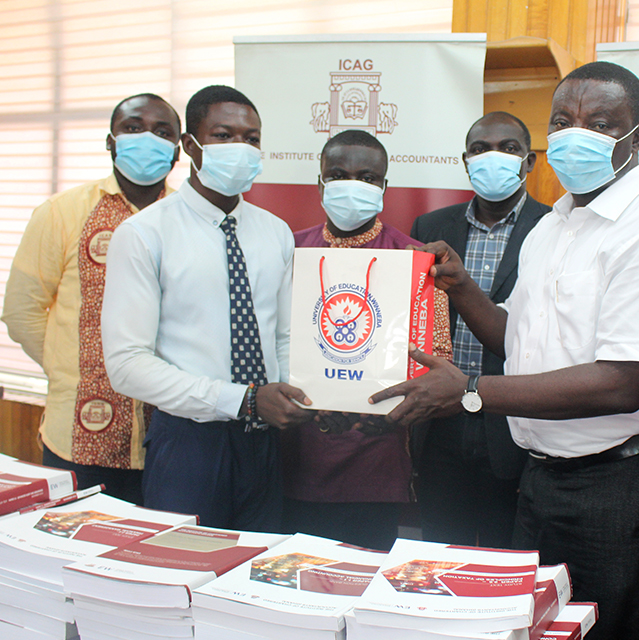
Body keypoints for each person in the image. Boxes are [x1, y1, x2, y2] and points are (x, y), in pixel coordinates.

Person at [370, 61, 639, 640]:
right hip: (542, 478)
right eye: (563, 120)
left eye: (601, 123)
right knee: (536, 630)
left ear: (638, 137)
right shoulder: (554, 226)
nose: (576, 134)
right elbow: (519, 343)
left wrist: (473, 391)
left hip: (620, 483)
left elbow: (623, 382)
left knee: (611, 631)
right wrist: (464, 288)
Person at [101, 85, 314, 531]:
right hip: (189, 444)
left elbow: (284, 335)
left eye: (251, 138)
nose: (241, 148)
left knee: (254, 575)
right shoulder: (144, 234)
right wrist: (243, 400)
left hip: (266, 441)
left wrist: (307, 393)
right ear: (190, 146)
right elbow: (126, 364)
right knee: (182, 577)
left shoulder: (275, 232)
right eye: (223, 135)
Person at [3, 93, 181, 505]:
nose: (147, 139)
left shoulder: (187, 218)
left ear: (178, 150)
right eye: (133, 128)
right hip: (80, 435)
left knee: (154, 559)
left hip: (170, 437)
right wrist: (76, 368)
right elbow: (22, 311)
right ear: (110, 141)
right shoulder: (60, 213)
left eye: (162, 132)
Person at [280, 129, 452, 550]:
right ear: (320, 182)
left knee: (362, 587)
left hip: (378, 456)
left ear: (385, 186)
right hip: (296, 453)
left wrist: (388, 411)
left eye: (367, 177)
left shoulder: (417, 260)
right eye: (338, 174)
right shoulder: (287, 252)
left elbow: (437, 361)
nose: (353, 185)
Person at [409, 111, 551, 549]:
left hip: (512, 421)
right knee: (438, 552)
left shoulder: (553, 230)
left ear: (529, 163)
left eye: (508, 149)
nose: (493, 158)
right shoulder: (431, 227)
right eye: (480, 149)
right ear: (466, 161)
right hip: (441, 421)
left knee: (505, 558)